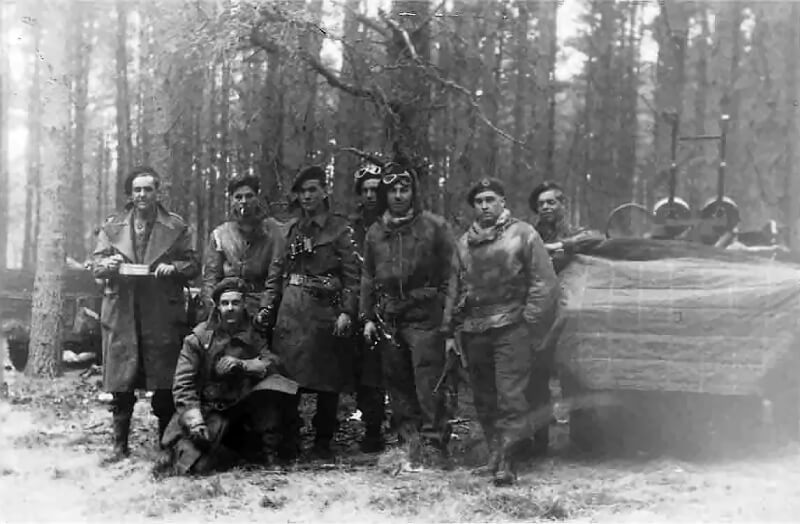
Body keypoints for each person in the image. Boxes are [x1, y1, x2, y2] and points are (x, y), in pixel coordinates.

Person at [442, 178, 558, 485]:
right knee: (484, 397)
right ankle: (494, 454)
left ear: (503, 202)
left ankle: (509, 459)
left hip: (511, 328)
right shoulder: (464, 243)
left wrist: (529, 322)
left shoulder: (523, 234)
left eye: (490, 199)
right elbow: (454, 288)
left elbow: (544, 283)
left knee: (511, 396)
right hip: (474, 329)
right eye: (478, 201)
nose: (484, 206)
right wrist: (449, 330)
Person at [91, 166, 200, 463]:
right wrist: (110, 264)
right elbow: (97, 265)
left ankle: (165, 445)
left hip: (160, 313)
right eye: (137, 190)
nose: (142, 195)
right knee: (121, 384)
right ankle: (119, 446)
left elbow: (193, 265)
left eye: (148, 189)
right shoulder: (113, 227)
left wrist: (174, 269)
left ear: (157, 192)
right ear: (130, 194)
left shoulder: (176, 227)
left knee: (163, 383)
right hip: (122, 312)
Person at [262, 165, 360, 461]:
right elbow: (275, 272)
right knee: (287, 378)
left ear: (324, 192)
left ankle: (323, 440)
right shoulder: (290, 230)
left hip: (324, 312)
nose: (306, 196)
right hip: (291, 311)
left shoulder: (340, 230)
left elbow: (353, 277)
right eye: (302, 191)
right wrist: (268, 306)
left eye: (312, 190)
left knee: (327, 380)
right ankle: (290, 439)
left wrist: (347, 312)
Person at [360, 162, 455, 467]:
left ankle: (434, 446)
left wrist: (447, 315)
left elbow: (453, 274)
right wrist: (368, 317)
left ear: (414, 192)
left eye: (405, 189)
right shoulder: (376, 232)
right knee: (397, 383)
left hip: (425, 316)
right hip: (389, 316)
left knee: (429, 383)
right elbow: (367, 276)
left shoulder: (434, 227)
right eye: (393, 191)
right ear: (385, 195)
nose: (399, 195)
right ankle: (409, 445)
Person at [156, 277, 295, 475]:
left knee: (273, 387)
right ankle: (224, 452)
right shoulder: (199, 338)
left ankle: (269, 452)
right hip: (210, 409)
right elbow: (183, 384)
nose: (230, 308)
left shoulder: (255, 334)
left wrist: (245, 365)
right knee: (194, 467)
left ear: (244, 304)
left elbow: (273, 363)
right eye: (225, 303)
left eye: (235, 303)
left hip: (243, 409)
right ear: (217, 306)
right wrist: (194, 419)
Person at [527, 180, 603, 457]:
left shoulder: (576, 232)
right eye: (541, 204)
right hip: (540, 313)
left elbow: (597, 238)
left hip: (572, 314)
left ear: (563, 204)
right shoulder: (530, 233)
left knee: (576, 378)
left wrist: (562, 244)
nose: (546, 207)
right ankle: (538, 443)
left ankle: (583, 443)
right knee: (536, 380)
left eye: (551, 202)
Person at [201, 174, 287, 320]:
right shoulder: (220, 235)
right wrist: (214, 311)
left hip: (260, 305)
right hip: (227, 307)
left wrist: (265, 310)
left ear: (257, 199)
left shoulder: (274, 232)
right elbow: (210, 279)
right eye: (238, 197)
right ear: (231, 201)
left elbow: (275, 278)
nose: (244, 202)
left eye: (249, 196)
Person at [348, 162, 387, 453]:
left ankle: (405, 427)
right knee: (367, 370)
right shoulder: (351, 227)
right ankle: (373, 428)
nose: (371, 195)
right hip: (363, 302)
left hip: (396, 303)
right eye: (366, 190)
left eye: (376, 189)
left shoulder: (397, 221)